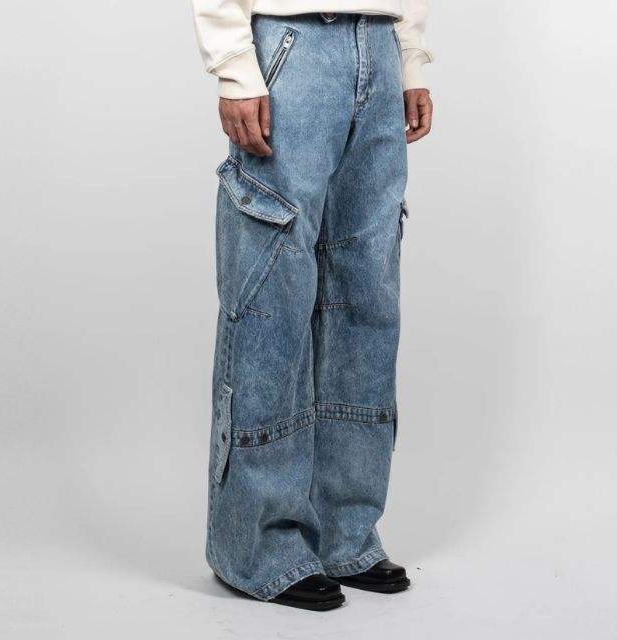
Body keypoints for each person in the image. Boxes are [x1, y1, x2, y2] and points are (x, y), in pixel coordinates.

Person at [191, 1, 433, 611]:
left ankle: (345, 532)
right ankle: (256, 547)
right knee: (272, 297)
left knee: (366, 295)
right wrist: (234, 66)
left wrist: (408, 60)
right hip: (292, 44)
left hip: (378, 42)